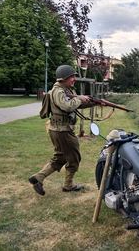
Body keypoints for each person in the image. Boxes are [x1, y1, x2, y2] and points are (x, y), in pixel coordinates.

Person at [29, 65, 96, 196]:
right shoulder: (58, 91)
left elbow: (77, 103)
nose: (74, 79)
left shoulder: (65, 90)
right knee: (74, 157)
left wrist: (94, 102)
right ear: (63, 78)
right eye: (71, 76)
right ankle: (68, 185)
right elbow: (67, 106)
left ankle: (38, 178)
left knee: (60, 157)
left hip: (59, 130)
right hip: (62, 131)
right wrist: (79, 98)